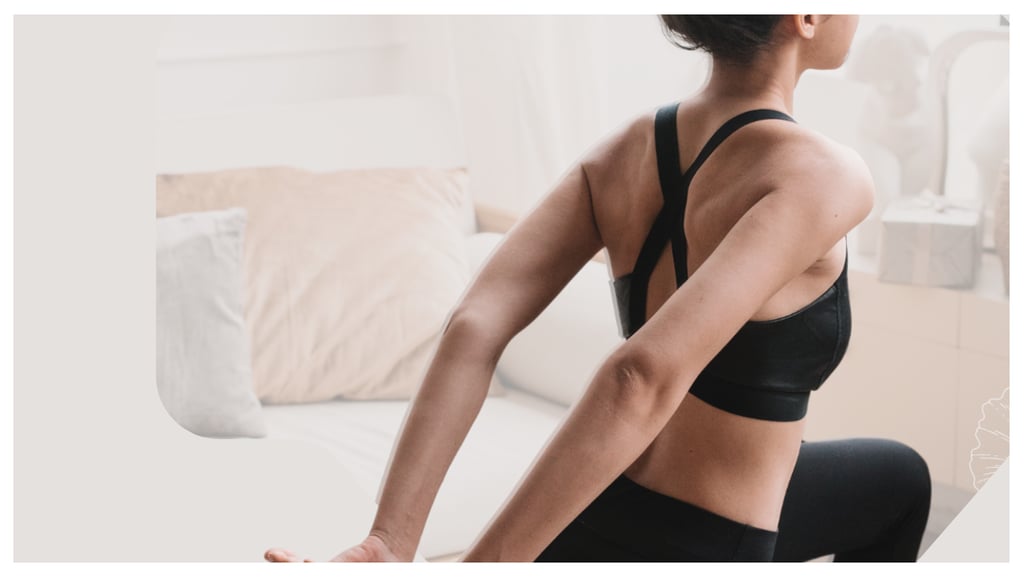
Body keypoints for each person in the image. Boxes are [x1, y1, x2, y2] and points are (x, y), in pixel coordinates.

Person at [265, 14, 932, 563]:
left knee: (898, 477)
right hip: (708, 544)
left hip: (587, 521)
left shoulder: (625, 150)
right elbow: (638, 376)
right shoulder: (823, 174)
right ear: (804, 17)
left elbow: (475, 324)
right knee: (904, 484)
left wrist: (391, 536)